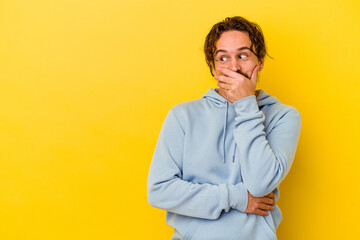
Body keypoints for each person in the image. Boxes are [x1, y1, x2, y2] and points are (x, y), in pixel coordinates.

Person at [147, 16, 302, 240]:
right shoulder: (182, 116)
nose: (234, 67)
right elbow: (159, 191)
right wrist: (239, 197)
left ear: (260, 61)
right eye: (223, 58)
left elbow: (260, 184)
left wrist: (246, 105)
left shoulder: (283, 117)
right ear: (212, 66)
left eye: (243, 55)